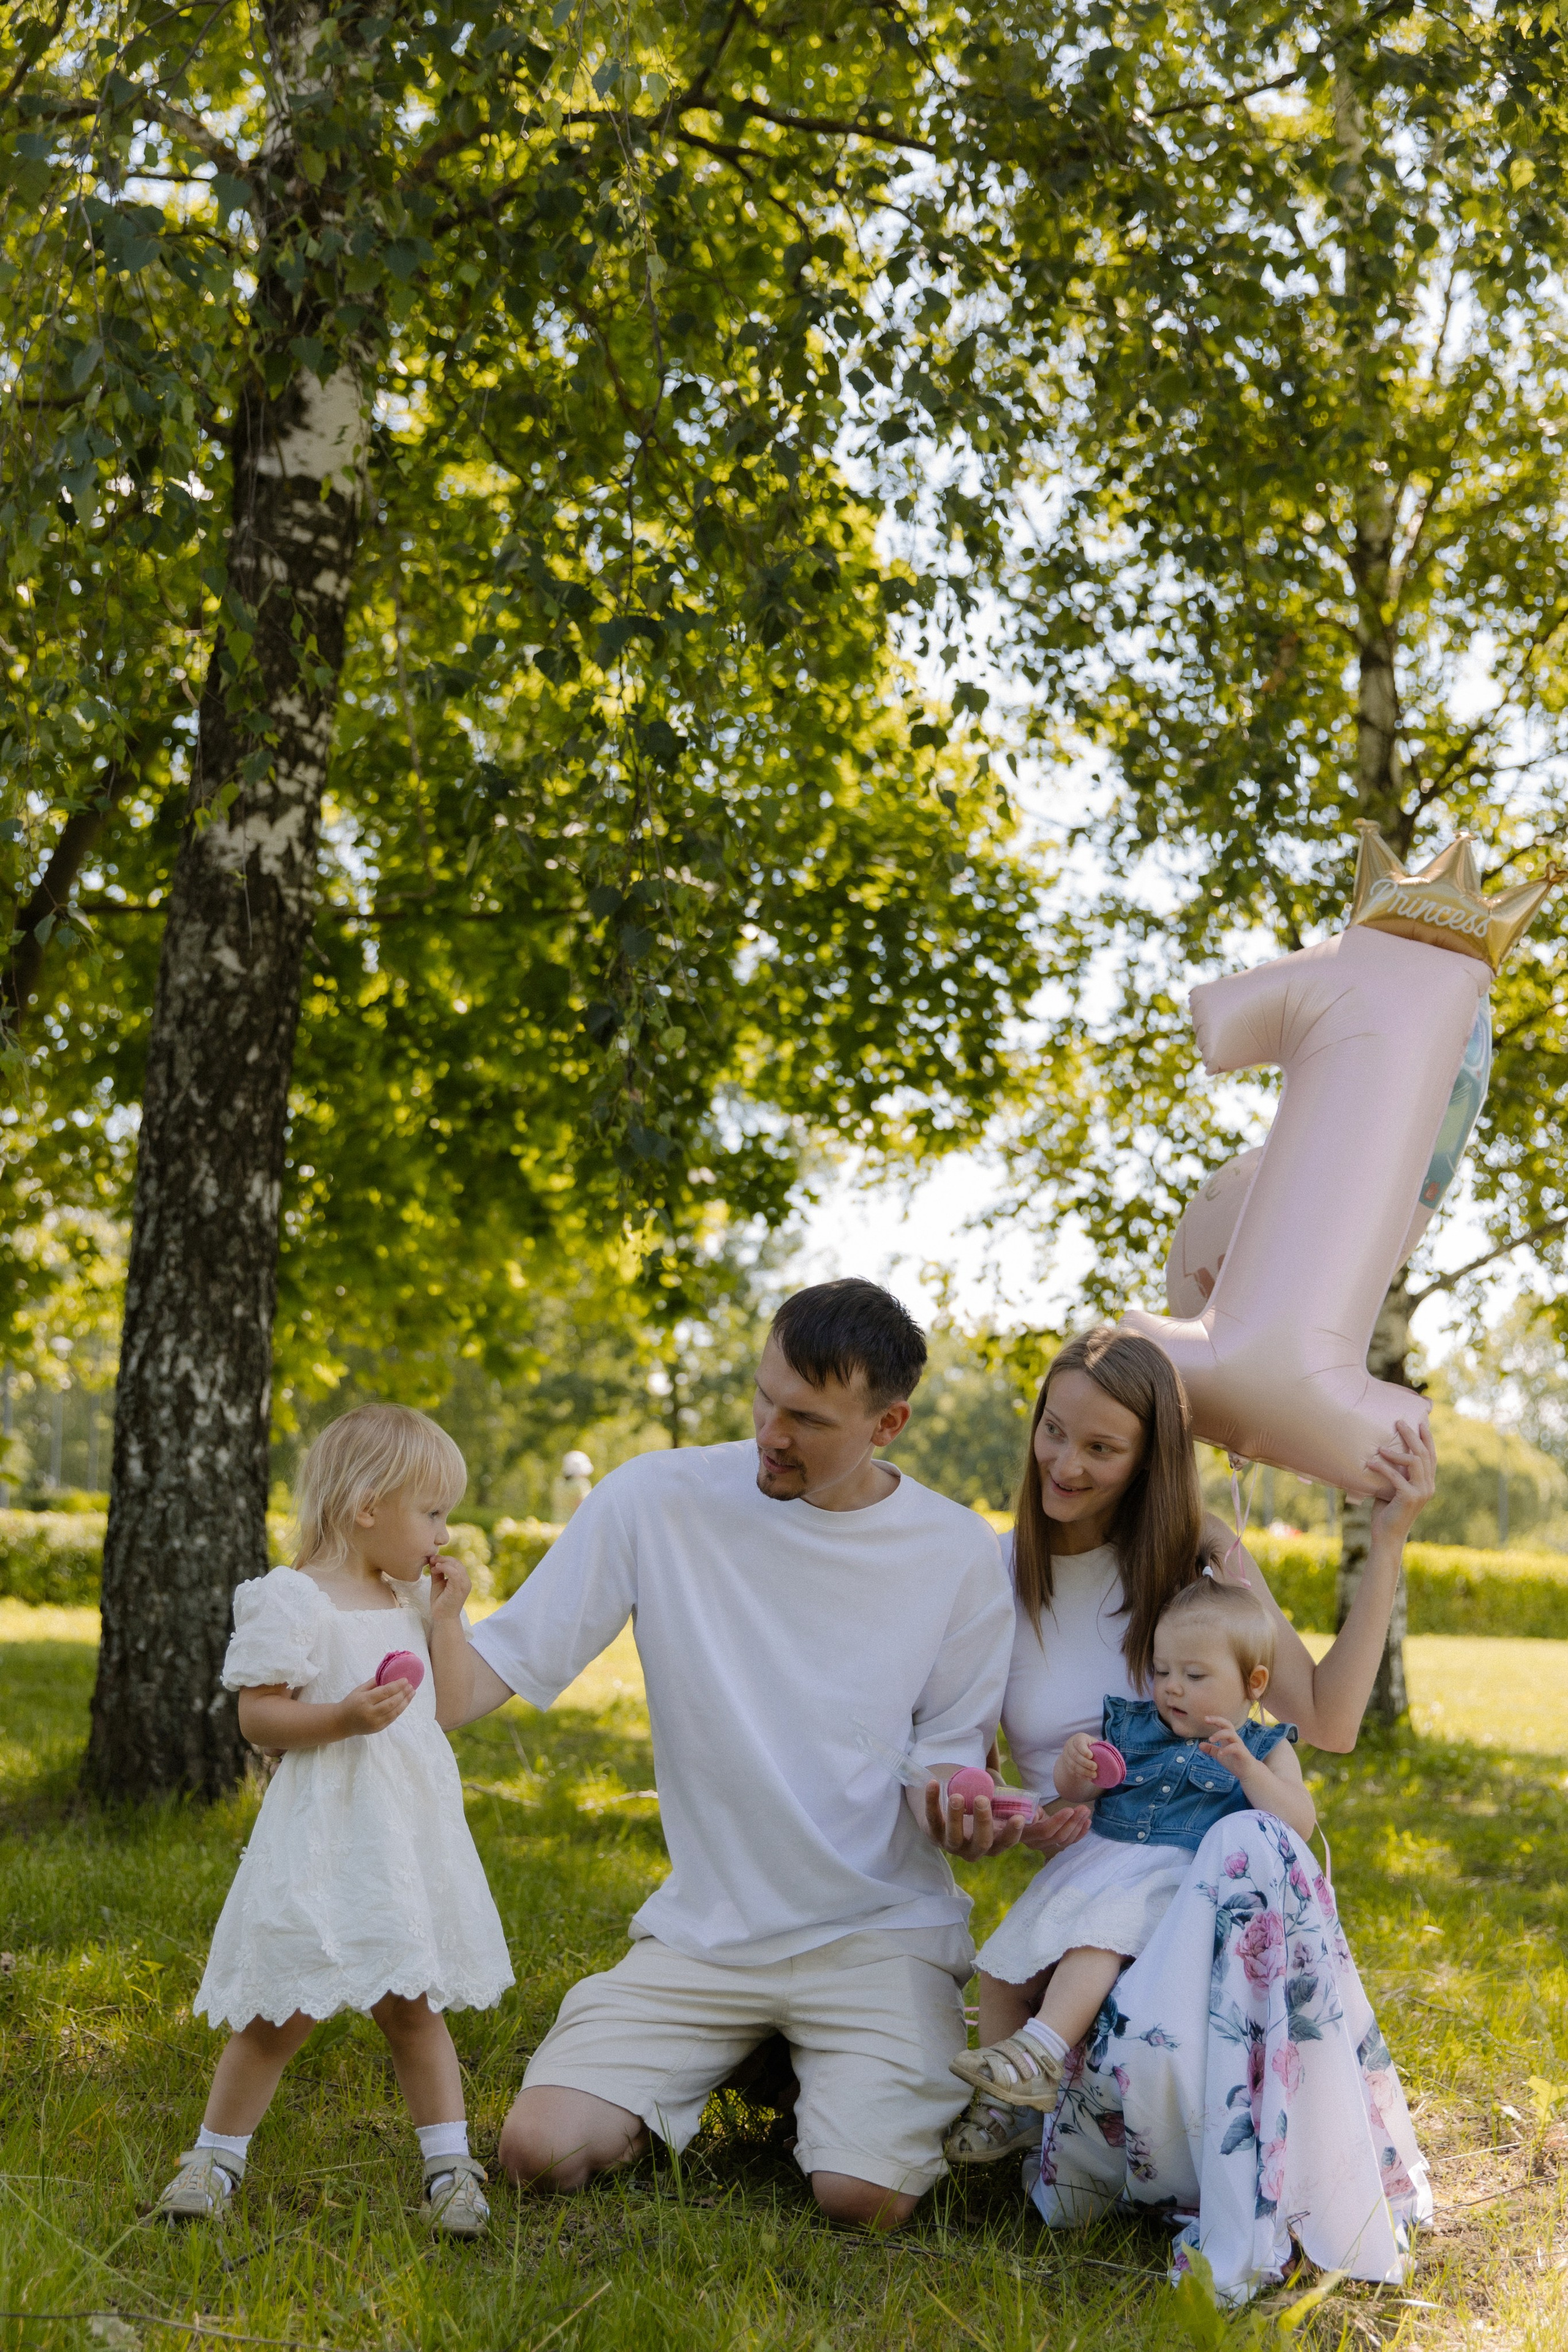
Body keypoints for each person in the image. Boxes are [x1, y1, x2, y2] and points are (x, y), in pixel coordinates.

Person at [454, 1278, 1030, 2229]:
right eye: (765, 1398)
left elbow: (948, 1755)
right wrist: (384, 1658)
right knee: (537, 2152)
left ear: (889, 1424)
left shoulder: (956, 1550)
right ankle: (746, 2069)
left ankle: (814, 2076)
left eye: (807, 1418)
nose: (772, 1432)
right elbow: (494, 1667)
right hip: (707, 1935)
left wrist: (959, 1812)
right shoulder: (656, 1499)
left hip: (877, 1932)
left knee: (865, 2201)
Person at [933, 1326, 1435, 2302]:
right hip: (1088, 1944)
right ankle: (1063, 2108)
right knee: (1206, 1863)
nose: (1065, 1464)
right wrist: (1021, 1815)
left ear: (1150, 1458)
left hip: (1207, 1940)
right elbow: (970, 1777)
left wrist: (1387, 1547)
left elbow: (1325, 1718)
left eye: (1101, 1448)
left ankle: (1246, 2185)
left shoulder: (1195, 1577)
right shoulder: (994, 1578)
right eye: (1053, 1431)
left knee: (1251, 1838)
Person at [154, 1404, 513, 2237]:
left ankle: (450, 2167)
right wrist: (343, 1720)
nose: (442, 1531)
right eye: (431, 1512)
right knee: (279, 2010)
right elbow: (260, 1719)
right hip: (325, 1835)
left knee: (414, 2005)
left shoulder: (411, 1601)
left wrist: (450, 1619)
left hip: (403, 1839)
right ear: (366, 1508)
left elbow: (450, 1707)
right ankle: (213, 2159)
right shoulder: (293, 1599)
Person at [951, 1578, 1314, 2108]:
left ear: (1253, 1682)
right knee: (1006, 1965)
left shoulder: (1265, 1747)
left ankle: (1041, 2054)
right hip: (1092, 1869)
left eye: (1194, 1676)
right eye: (1162, 1671)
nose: (1171, 1688)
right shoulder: (1134, 1728)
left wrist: (1249, 1771)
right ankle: (1001, 2108)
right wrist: (1075, 1768)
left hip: (1170, 1886)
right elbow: (1082, 1791)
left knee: (1098, 1939)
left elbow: (1298, 1822)